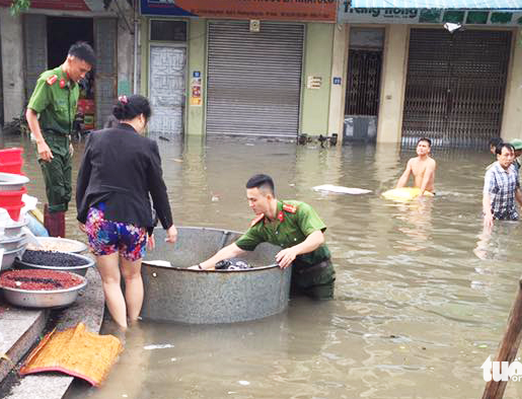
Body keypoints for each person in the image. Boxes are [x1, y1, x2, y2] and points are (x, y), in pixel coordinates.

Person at [76, 94, 178, 329]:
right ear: (141, 118)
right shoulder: (147, 146)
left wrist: (82, 214)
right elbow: (157, 189)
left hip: (101, 218)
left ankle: (121, 330)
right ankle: (134, 327)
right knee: (133, 277)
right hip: (134, 221)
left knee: (111, 280)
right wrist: (168, 224)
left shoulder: (96, 138)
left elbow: (83, 180)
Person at [193, 174, 336, 300]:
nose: (250, 205)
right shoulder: (261, 227)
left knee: (319, 313)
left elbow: (317, 238)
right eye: (248, 200)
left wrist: (293, 250)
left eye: (254, 200)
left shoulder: (298, 211)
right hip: (292, 277)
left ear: (268, 197)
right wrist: (199, 267)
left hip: (319, 276)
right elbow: (232, 250)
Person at [25, 42, 95, 238]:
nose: (83, 75)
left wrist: (68, 140)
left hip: (64, 142)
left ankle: (56, 238)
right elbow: (31, 113)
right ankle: (55, 244)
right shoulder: (49, 81)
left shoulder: (74, 86)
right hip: (48, 141)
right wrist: (40, 143)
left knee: (65, 193)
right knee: (56, 192)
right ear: (70, 59)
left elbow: (68, 118)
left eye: (86, 72)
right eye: (81, 70)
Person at [482, 142, 522, 229]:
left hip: (510, 214)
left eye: (512, 155)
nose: (509, 158)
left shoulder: (513, 169)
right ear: (498, 156)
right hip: (495, 215)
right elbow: (486, 195)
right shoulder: (492, 173)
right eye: (506, 155)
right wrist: (488, 214)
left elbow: (516, 190)